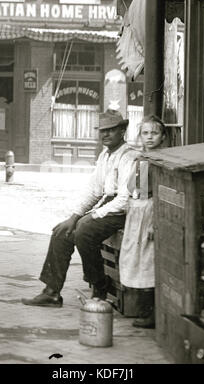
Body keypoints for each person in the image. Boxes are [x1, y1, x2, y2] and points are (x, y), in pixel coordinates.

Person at [22, 109, 138, 308]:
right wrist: (73, 217)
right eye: (102, 131)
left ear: (122, 130)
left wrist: (92, 216)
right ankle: (52, 292)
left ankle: (99, 286)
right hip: (107, 206)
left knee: (84, 231)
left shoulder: (129, 156)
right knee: (62, 231)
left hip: (124, 211)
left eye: (111, 130)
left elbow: (125, 200)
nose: (106, 135)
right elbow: (94, 191)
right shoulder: (105, 156)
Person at [119, 115, 169, 328]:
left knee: (148, 260)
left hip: (150, 210)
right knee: (134, 258)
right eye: (145, 133)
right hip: (136, 210)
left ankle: (151, 312)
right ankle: (140, 307)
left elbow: (161, 193)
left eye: (154, 133)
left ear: (163, 136)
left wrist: (154, 222)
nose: (149, 137)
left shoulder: (163, 160)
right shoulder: (139, 159)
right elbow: (131, 186)